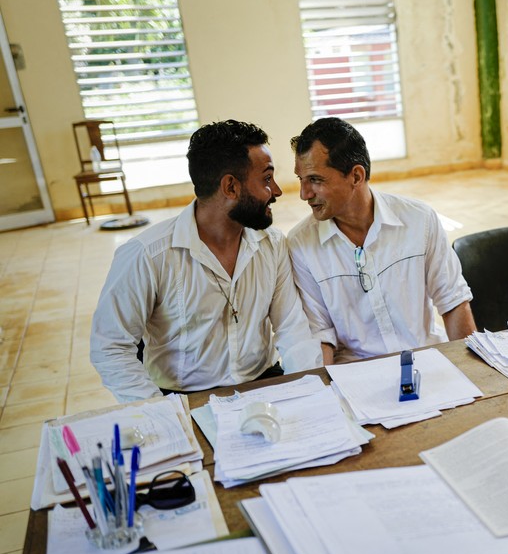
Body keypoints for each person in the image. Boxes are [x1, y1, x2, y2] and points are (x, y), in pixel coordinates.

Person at [91, 120, 322, 403]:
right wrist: (161, 413)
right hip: (182, 398)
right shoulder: (147, 255)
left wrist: (309, 392)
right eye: (266, 179)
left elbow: (292, 329)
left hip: (263, 385)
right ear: (230, 187)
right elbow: (110, 348)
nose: (276, 190)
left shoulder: (272, 245)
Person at [288, 117, 476, 364]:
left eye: (315, 180)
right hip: (357, 376)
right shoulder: (301, 244)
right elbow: (320, 335)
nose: (304, 194)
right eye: (301, 180)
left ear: (356, 176)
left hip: (427, 361)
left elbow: (452, 301)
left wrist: (472, 375)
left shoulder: (419, 220)